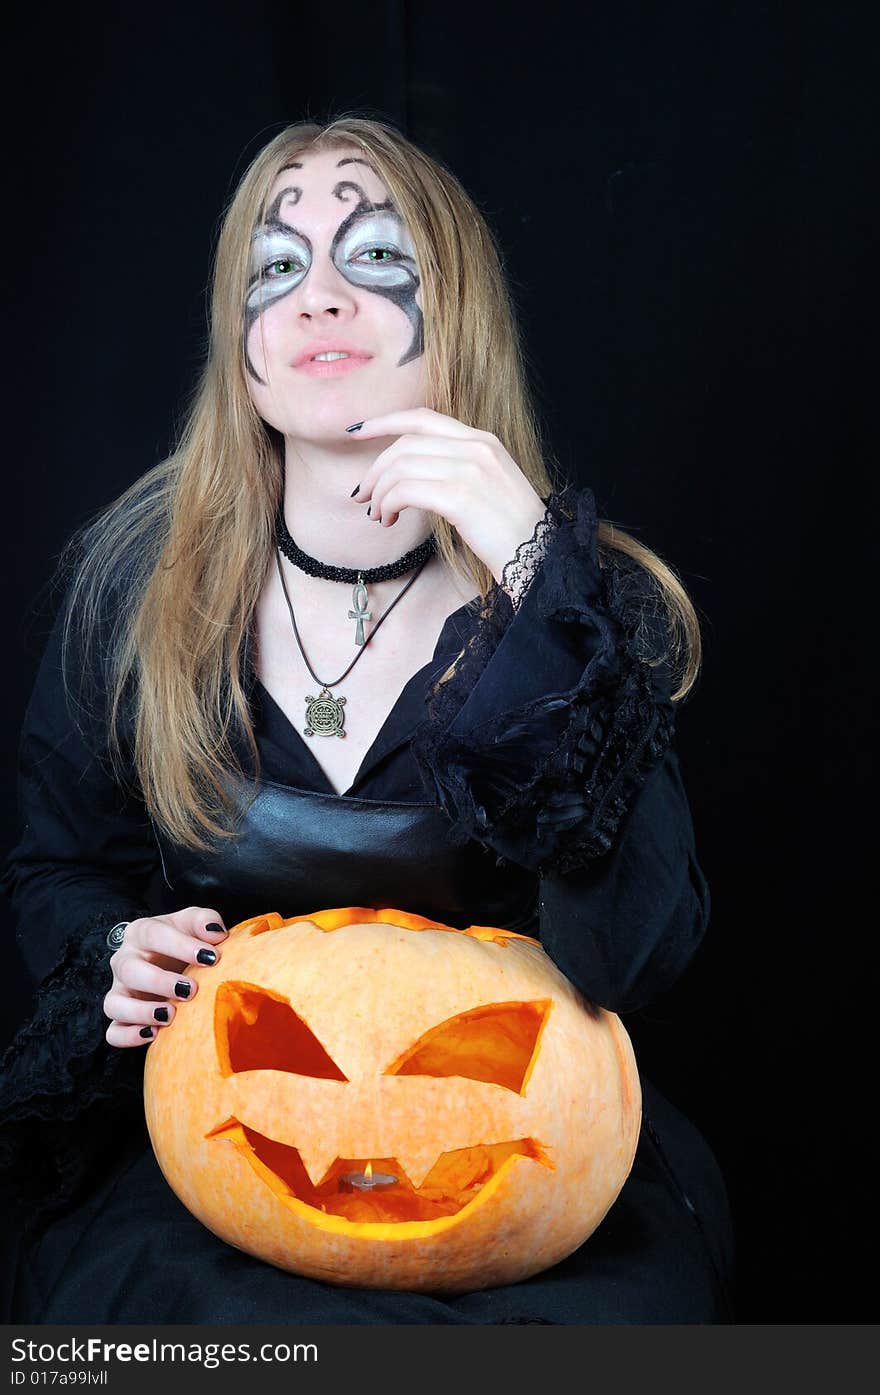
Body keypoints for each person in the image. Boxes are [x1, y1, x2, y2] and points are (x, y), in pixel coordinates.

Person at [0, 114, 734, 1324]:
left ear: (460, 318)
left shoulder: (586, 602)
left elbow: (636, 958)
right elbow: (61, 868)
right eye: (275, 268)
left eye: (378, 258)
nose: (321, 296)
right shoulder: (136, 587)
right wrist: (110, 960)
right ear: (240, 349)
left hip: (515, 1160)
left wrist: (540, 582)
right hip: (226, 1141)